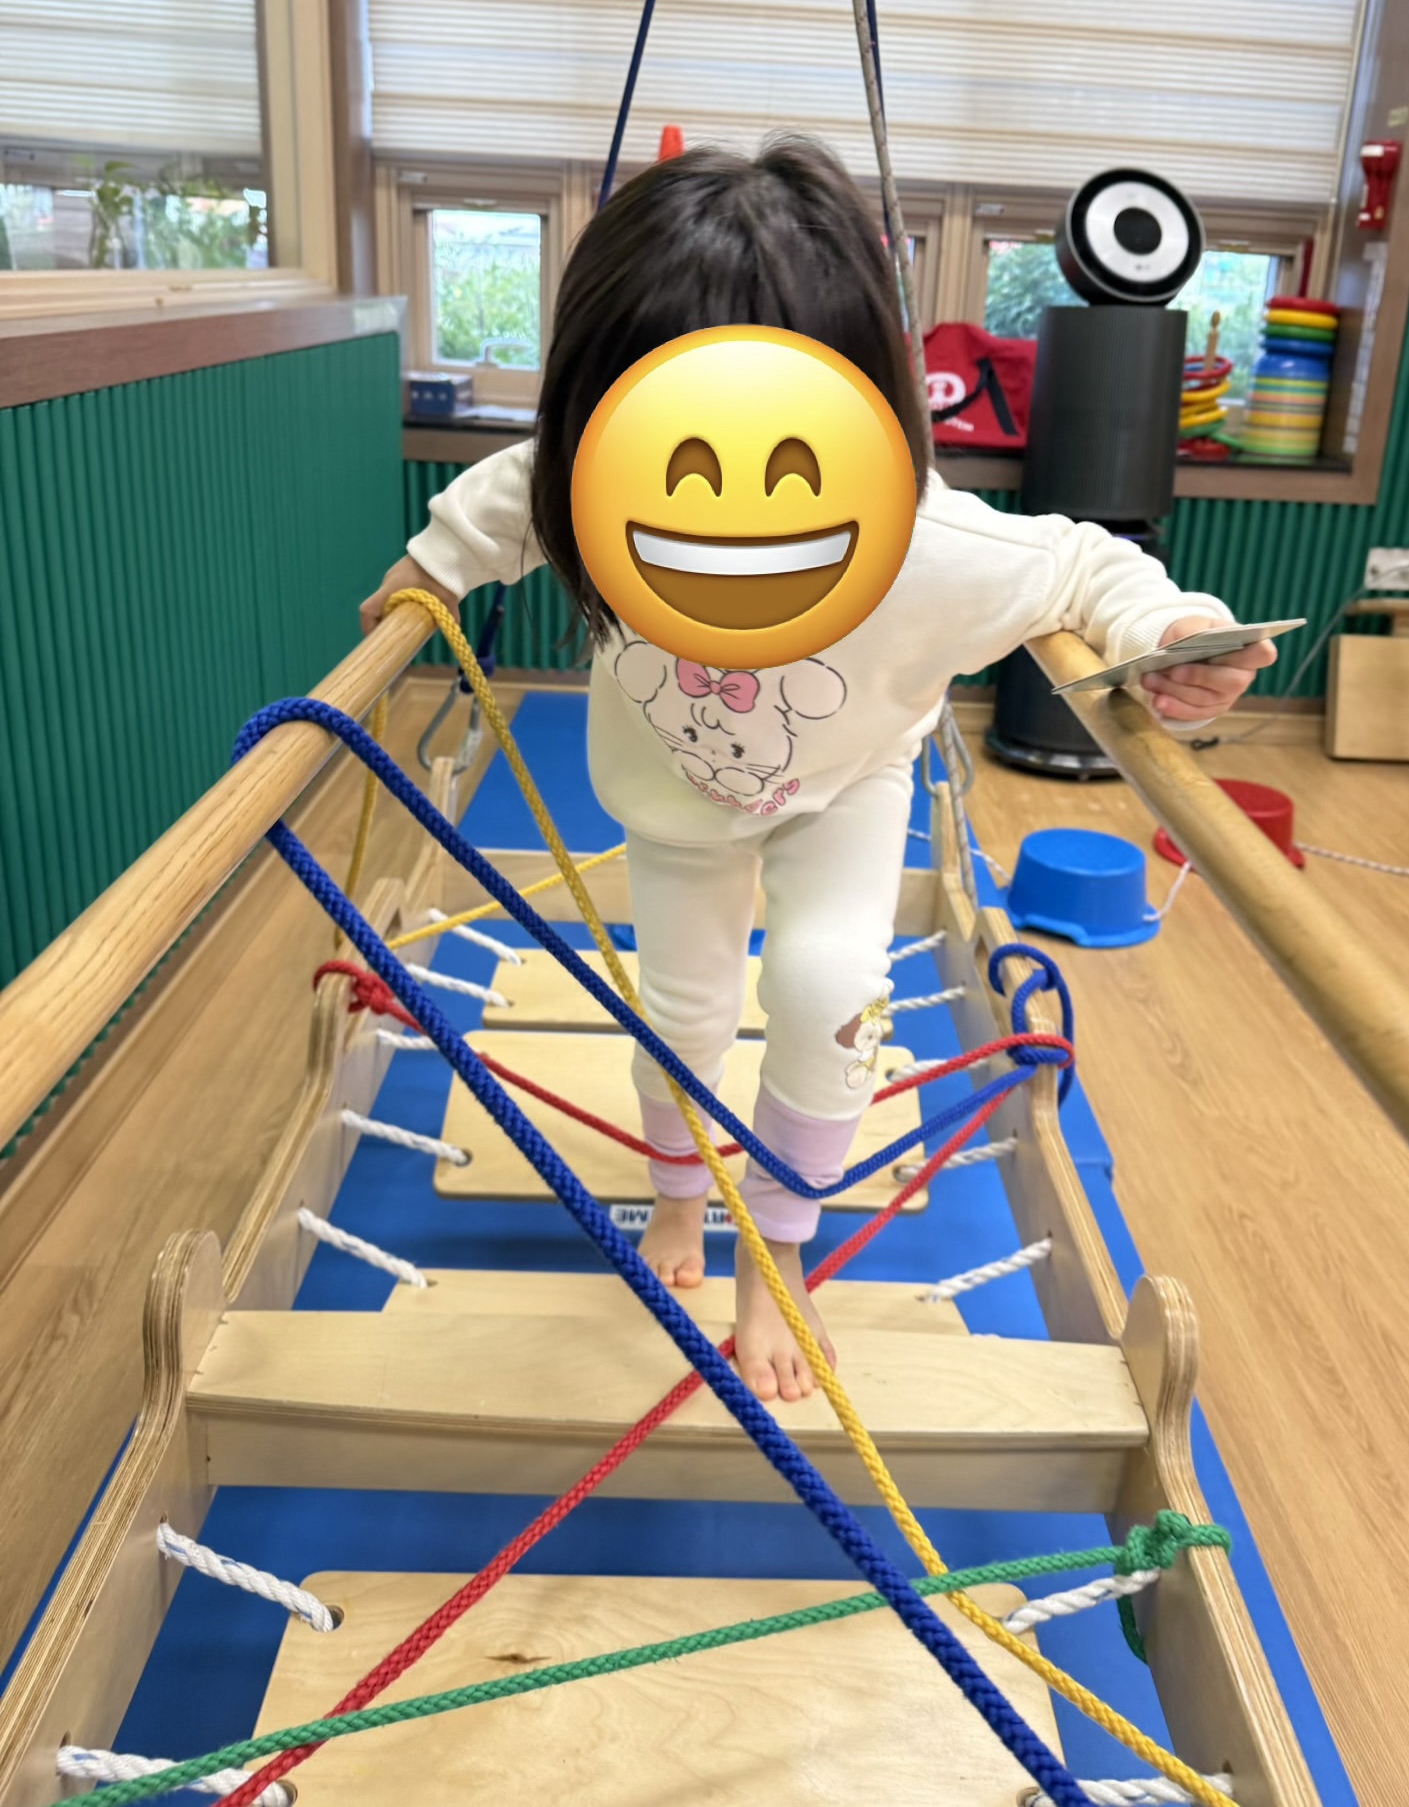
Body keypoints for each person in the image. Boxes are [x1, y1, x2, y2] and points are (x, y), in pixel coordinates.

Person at [362, 138, 1275, 1404]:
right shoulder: (579, 485)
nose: (727, 498)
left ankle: (778, 1250)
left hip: (846, 789)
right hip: (674, 803)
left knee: (826, 983)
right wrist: (426, 577)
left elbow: (1082, 564)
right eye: (674, 449)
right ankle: (678, 1195)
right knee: (680, 1015)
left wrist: (1172, 631)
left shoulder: (929, 542)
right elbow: (497, 501)